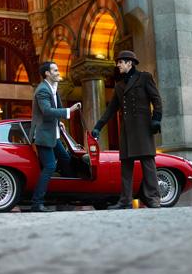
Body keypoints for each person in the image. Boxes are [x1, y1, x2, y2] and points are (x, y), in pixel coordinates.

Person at [91, 50, 162, 209]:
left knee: (148, 164)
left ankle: (153, 199)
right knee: (126, 166)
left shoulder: (144, 77)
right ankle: (125, 201)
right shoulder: (119, 85)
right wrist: (98, 127)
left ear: (129, 63)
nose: (118, 65)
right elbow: (111, 109)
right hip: (127, 130)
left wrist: (157, 118)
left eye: (120, 62)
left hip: (143, 127)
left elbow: (156, 99)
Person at [29, 61, 81, 213]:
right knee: (50, 166)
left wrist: (58, 123)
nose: (58, 72)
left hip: (53, 133)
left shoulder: (53, 89)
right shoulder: (42, 90)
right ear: (47, 73)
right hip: (43, 134)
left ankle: (68, 194)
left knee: (65, 159)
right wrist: (69, 110)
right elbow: (46, 111)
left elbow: (54, 110)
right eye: (55, 70)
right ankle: (36, 203)